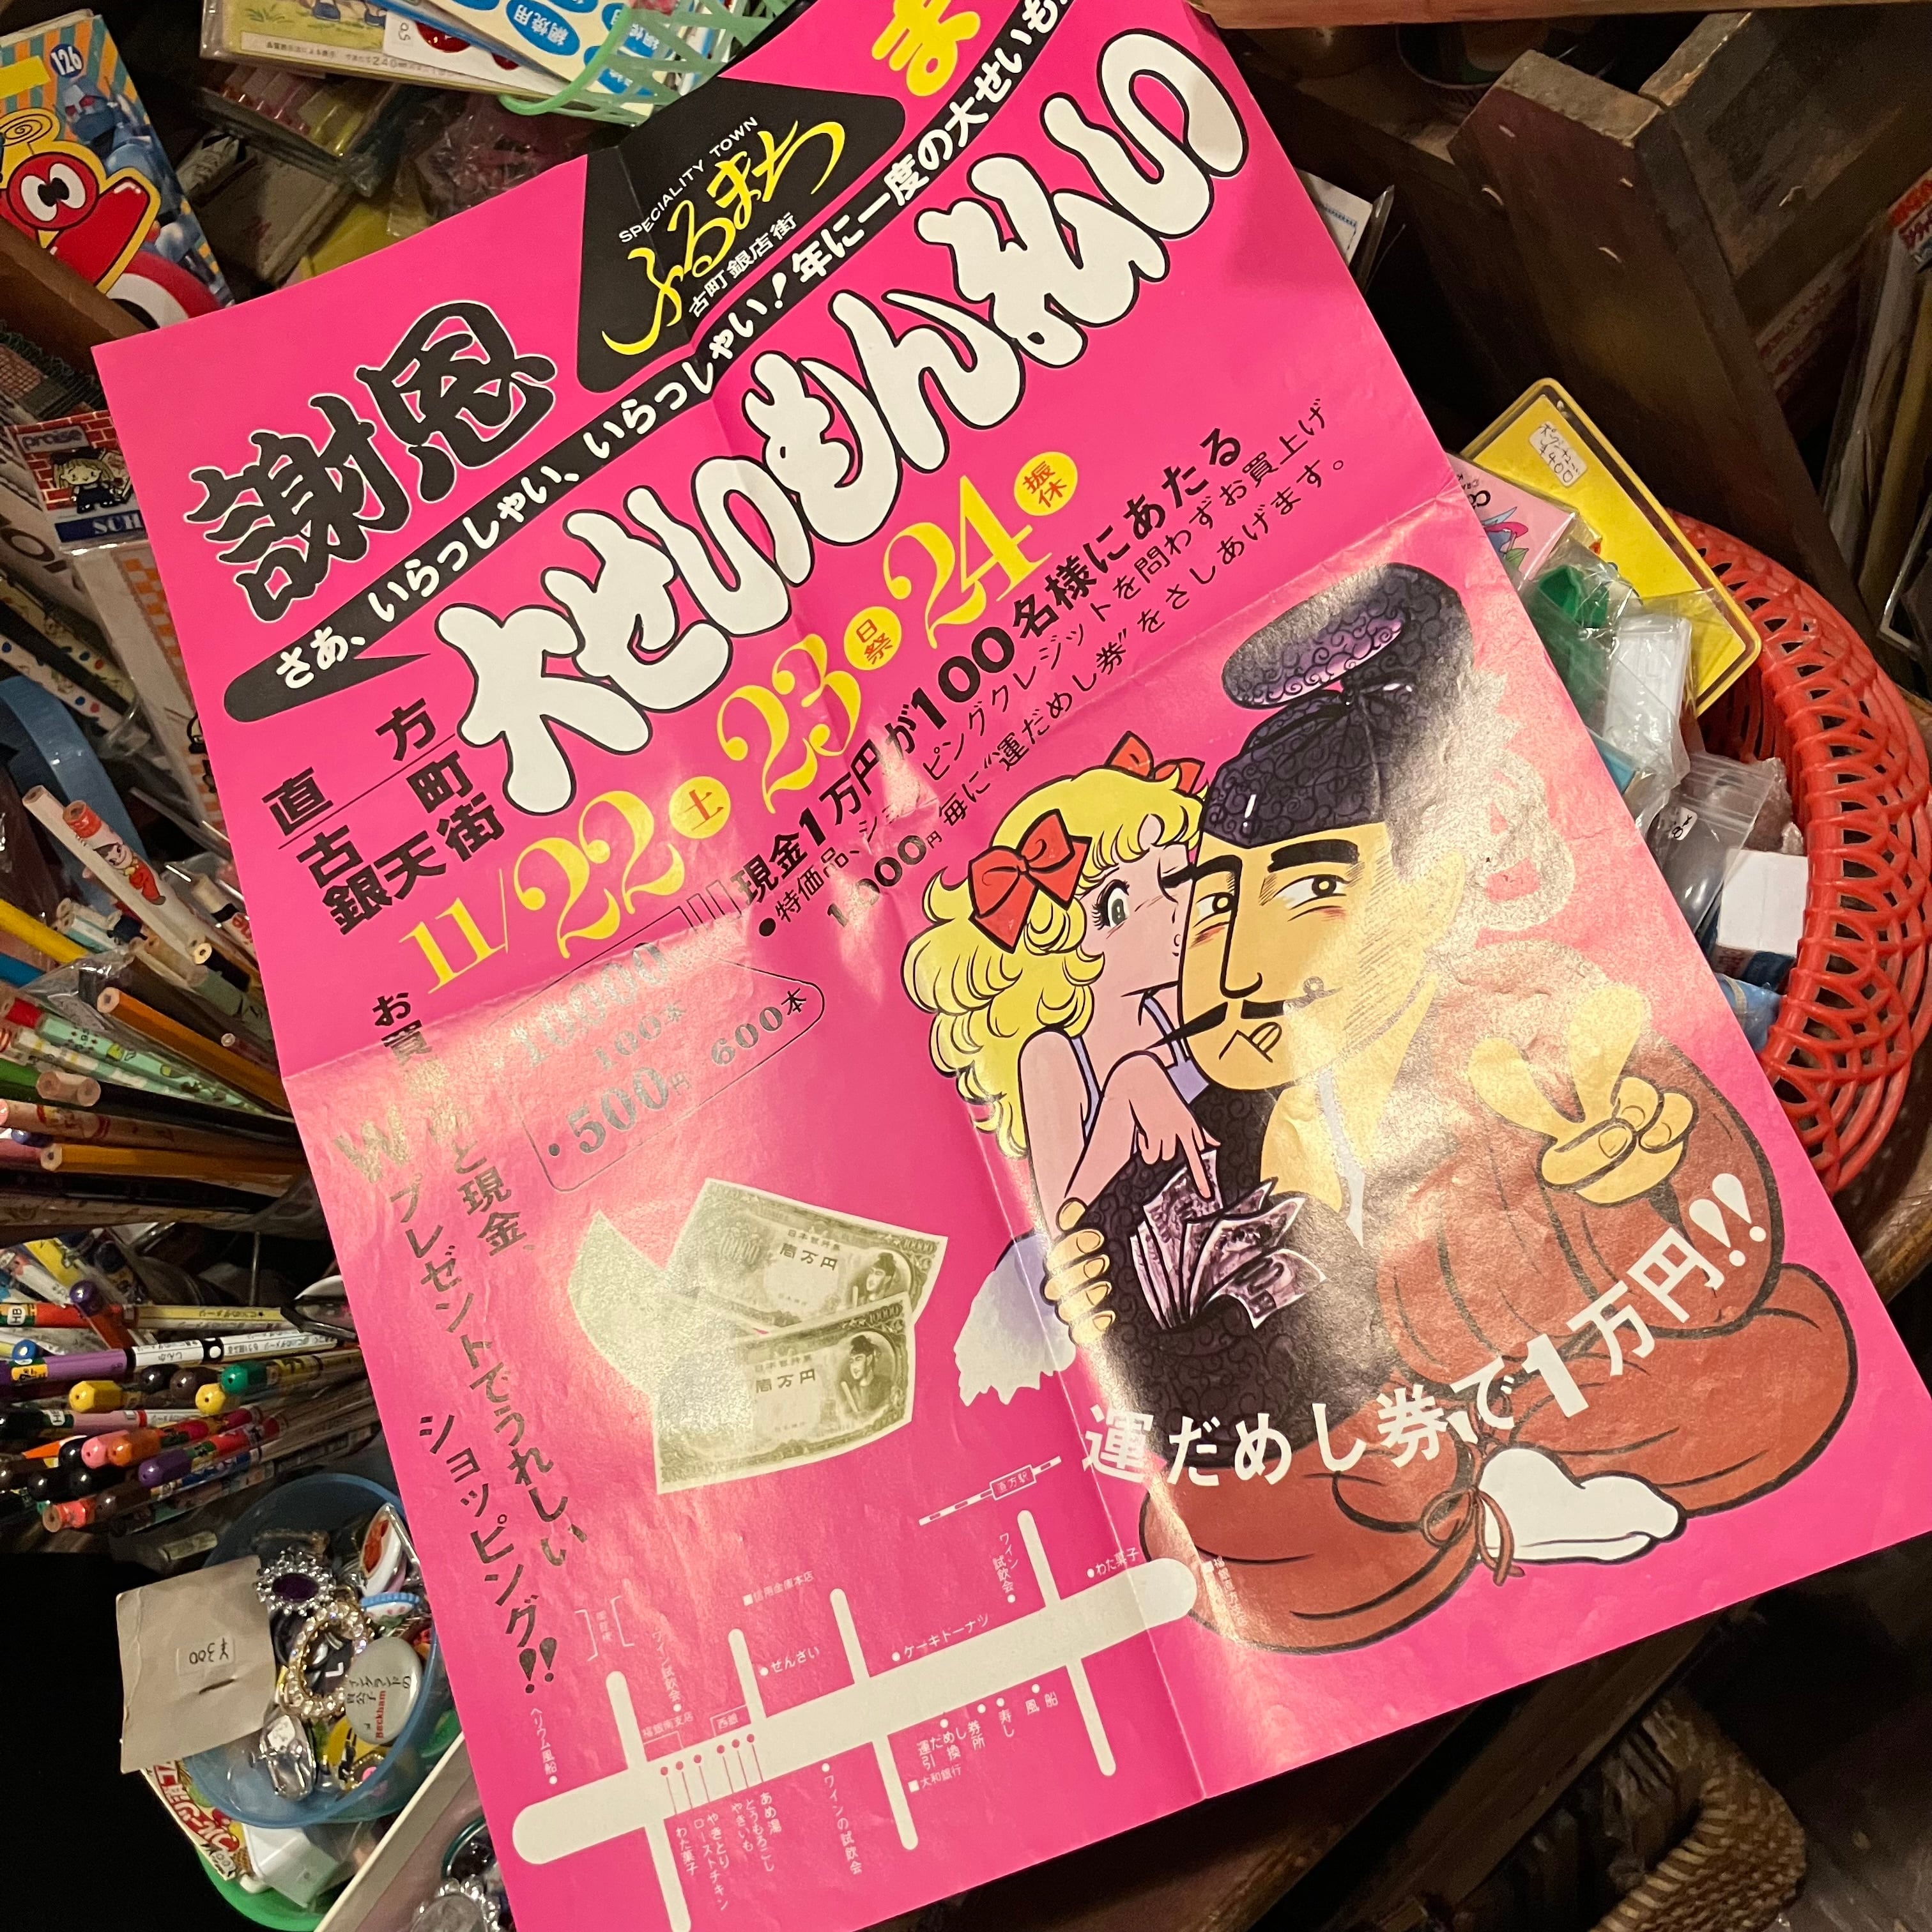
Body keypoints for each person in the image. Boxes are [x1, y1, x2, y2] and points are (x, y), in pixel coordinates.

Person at [1036, 562, 1854, 1652]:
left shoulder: (1531, 1009)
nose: (1237, 969)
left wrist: (1648, 1171)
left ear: (1435, 879)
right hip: (1360, 1450)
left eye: (1313, 891)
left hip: (1556, 1378)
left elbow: (1717, 1217)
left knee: (1792, 1357)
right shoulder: (1207, 1126)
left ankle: (1498, 1498)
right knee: (1203, 1533)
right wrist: (1115, 1308)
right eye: (1216, 907)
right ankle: (1489, 1504)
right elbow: (1173, 1359)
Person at [905, 735, 1215, 1231]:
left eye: (1174, 878)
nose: (1176, 907)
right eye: (1117, 907)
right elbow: (1067, 1230)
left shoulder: (1173, 1004)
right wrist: (1126, 1093)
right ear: (1060, 943)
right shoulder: (1052, 1059)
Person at [836, 1336, 894, 1422]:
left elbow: (888, 1407)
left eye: (858, 1359)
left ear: (869, 1359)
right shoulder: (852, 1394)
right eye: (852, 1361)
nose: (854, 1367)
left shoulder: (885, 1385)